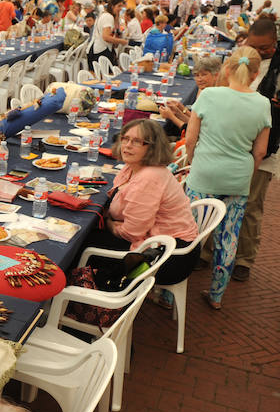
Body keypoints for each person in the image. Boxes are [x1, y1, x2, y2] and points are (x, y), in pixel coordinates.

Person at [184, 47, 270, 309]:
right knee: (228, 237)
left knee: (189, 235)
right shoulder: (262, 103)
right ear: (256, 74)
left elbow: (190, 139)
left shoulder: (209, 95)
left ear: (226, 70)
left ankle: (169, 292)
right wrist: (246, 174)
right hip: (237, 177)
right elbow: (260, 151)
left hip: (205, 172)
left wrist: (191, 162)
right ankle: (217, 295)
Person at [85, 120, 199, 290]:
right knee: (88, 230)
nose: (128, 145)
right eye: (125, 139)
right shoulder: (133, 167)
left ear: (152, 147)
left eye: (137, 141)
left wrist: (109, 224)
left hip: (168, 256)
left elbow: (132, 232)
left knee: (81, 244)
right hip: (160, 242)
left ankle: (81, 300)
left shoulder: (149, 177)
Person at [228, 18, 280, 281]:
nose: (258, 52)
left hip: (265, 147)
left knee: (251, 205)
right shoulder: (241, 54)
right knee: (221, 199)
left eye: (264, 48)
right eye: (253, 46)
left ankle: (245, 259)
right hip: (234, 141)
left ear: (274, 42)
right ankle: (211, 253)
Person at [159, 56, 222, 132]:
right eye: (196, 75)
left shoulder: (214, 98)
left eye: (204, 75)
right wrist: (179, 110)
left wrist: (172, 117)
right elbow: (195, 122)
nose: (199, 79)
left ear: (216, 75)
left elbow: (197, 131)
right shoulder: (208, 91)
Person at [87, 0, 126, 71]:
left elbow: (115, 32)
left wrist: (117, 18)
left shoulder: (108, 15)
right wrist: (122, 41)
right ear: (112, 6)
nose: (121, 8)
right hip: (100, 50)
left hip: (101, 49)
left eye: (122, 6)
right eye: (119, 6)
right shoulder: (108, 17)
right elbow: (106, 37)